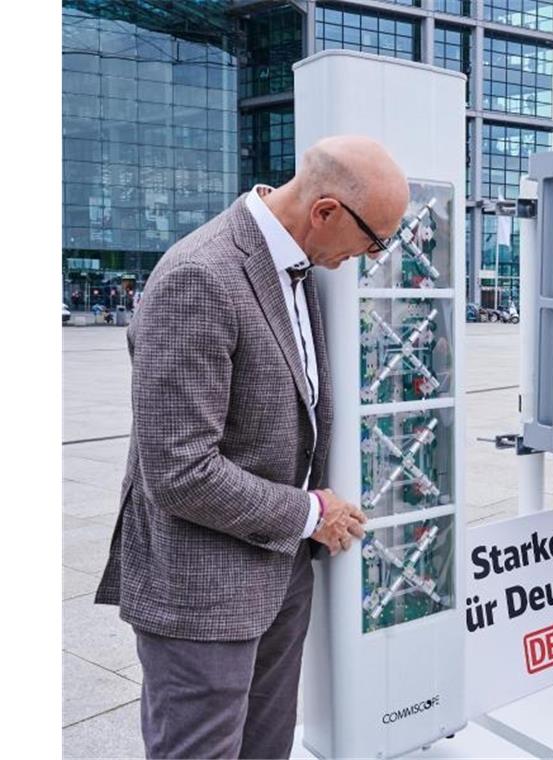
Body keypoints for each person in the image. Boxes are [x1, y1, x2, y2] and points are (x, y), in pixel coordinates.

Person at [96, 135, 410, 759]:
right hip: (202, 592)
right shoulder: (199, 276)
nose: (369, 257)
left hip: (279, 574)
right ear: (325, 212)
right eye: (373, 241)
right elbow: (181, 470)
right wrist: (312, 513)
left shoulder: (297, 267)